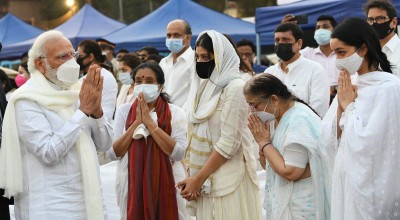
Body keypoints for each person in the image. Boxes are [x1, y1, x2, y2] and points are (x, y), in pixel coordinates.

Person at [0, 30, 112, 220]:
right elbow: (48, 153)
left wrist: (97, 111)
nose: (71, 62)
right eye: (62, 57)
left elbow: (104, 145)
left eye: (73, 54)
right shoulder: (26, 100)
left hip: (88, 200)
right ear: (40, 64)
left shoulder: (76, 92)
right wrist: (83, 112)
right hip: (50, 206)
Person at [177, 30, 261, 220]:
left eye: (206, 57)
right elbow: (192, 131)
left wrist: (198, 179)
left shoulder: (236, 88)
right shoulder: (204, 87)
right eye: (197, 56)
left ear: (221, 57)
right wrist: (194, 177)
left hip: (230, 181)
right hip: (205, 180)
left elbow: (229, 143)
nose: (200, 61)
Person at [324, 17, 400, 219]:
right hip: (347, 180)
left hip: (375, 189)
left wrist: (348, 105)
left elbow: (369, 143)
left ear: (363, 49)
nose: (338, 60)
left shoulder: (389, 88)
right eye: (334, 54)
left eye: (342, 52)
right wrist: (342, 105)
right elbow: (332, 139)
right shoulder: (350, 84)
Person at [244, 73, 331, 219]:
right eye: (249, 105)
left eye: (255, 105)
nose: (252, 111)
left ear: (274, 99)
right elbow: (270, 166)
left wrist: (264, 143)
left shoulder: (298, 120)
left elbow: (291, 171)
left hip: (303, 206)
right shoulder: (276, 117)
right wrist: (263, 144)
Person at [110, 62, 187, 220]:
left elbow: (178, 154)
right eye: (138, 81)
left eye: (149, 81)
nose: (143, 85)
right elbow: (113, 153)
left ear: (160, 86)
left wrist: (151, 125)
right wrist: (136, 124)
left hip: (169, 180)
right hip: (130, 181)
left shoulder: (175, 113)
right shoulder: (124, 111)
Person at [264, 23, 330, 117]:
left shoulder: (315, 70)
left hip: (304, 129)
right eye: (277, 40)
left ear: (299, 43)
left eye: (285, 39)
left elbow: (319, 109)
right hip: (275, 130)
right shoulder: (269, 73)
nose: (280, 43)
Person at [77, 40, 118, 165]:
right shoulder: (83, 79)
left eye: (79, 56)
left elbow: (104, 114)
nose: (76, 59)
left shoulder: (104, 77)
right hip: (88, 140)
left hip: (99, 142)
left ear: (90, 57)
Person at [283, 14, 339, 101]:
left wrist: (335, 87)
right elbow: (287, 57)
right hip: (311, 101)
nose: (321, 30)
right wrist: (285, 30)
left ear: (334, 30)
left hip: (338, 100)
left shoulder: (342, 54)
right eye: (318, 27)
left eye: (325, 26)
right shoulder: (307, 54)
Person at [159, 19, 195, 108]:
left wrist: (181, 115)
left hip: (185, 117)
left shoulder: (195, 60)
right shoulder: (163, 62)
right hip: (163, 116)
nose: (171, 39)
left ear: (188, 37)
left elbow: (195, 93)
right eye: (169, 35)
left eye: (176, 35)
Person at [365, 0, 400, 77]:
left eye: (380, 18)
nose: (374, 23)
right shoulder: (365, 51)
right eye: (370, 19)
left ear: (394, 22)